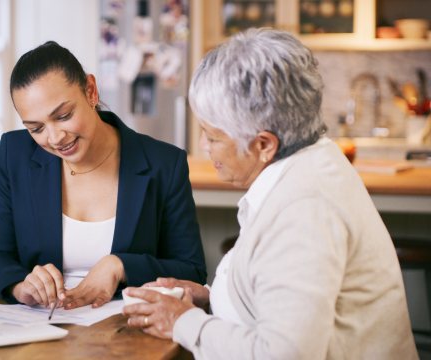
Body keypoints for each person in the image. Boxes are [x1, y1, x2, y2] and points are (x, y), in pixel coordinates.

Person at [122, 29, 418, 359]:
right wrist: (210, 296)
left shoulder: (304, 212)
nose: (204, 147)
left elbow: (284, 353)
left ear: (264, 145)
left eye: (212, 136)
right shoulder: (311, 160)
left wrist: (183, 322)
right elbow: (281, 293)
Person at [0, 41, 206, 311]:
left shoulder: (164, 163)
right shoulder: (12, 155)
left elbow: (192, 272)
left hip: (127, 330)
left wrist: (120, 266)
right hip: (42, 328)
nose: (55, 138)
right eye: (36, 128)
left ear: (91, 91)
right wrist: (20, 286)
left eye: (63, 115)